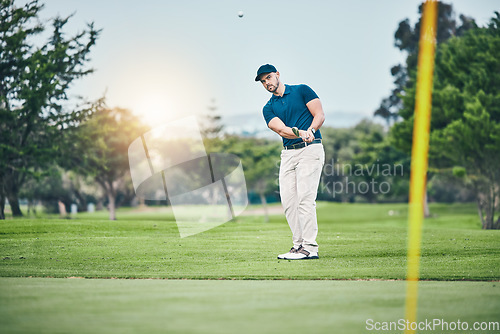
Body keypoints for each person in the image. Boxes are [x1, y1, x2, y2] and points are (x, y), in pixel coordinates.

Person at [255, 64, 325, 260]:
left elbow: (319, 114)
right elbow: (280, 129)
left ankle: (310, 247)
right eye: (263, 81)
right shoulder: (268, 108)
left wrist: (310, 130)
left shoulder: (302, 90)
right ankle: (298, 245)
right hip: (288, 154)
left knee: (305, 199)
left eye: (268, 77)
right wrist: (298, 132)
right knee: (289, 201)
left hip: (311, 150)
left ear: (277, 74)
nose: (267, 83)